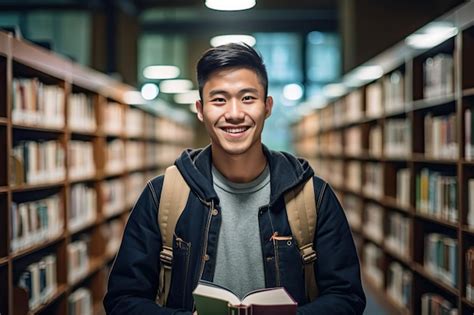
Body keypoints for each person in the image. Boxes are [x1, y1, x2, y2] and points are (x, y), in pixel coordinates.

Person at [103, 43, 366, 315]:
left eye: (248, 98)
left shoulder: (314, 196)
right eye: (219, 99)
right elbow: (123, 300)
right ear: (200, 109)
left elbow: (347, 298)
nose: (234, 113)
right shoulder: (162, 195)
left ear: (267, 106)